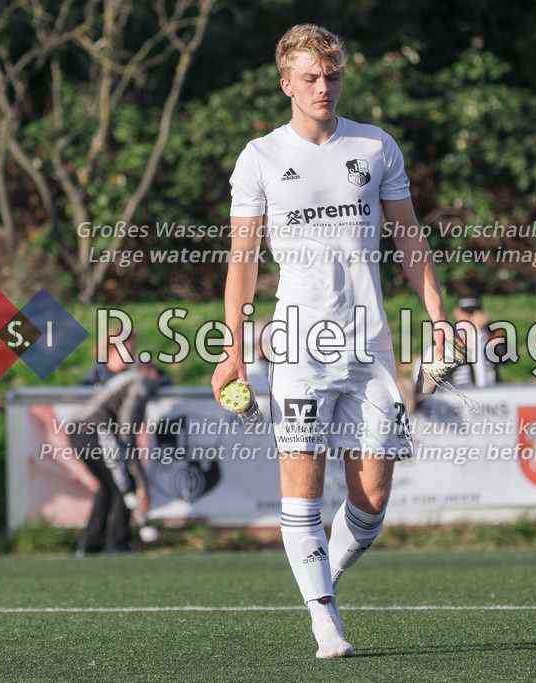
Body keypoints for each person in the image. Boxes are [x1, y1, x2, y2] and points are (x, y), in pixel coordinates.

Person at [211, 24, 462, 659]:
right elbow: (242, 261)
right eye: (312, 78)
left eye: (334, 77)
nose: (325, 87)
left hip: (369, 346)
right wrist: (233, 348)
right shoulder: (260, 156)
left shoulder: (375, 146)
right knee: (303, 479)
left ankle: (319, 576)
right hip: (296, 345)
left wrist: (438, 316)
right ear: (286, 84)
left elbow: (409, 239)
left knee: (371, 501)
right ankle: (325, 619)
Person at [69, 358, 161, 557]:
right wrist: (141, 483)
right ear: (145, 370)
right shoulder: (140, 382)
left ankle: (89, 544)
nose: (159, 381)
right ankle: (119, 544)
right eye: (157, 374)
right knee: (123, 484)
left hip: (78, 430)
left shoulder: (124, 379)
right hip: (95, 431)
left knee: (108, 486)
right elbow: (126, 433)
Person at [450, 293, 502, 388]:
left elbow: (505, 356)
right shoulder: (450, 334)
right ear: (457, 311)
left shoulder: (490, 332)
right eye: (466, 312)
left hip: (491, 390)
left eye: (473, 312)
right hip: (460, 390)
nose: (469, 317)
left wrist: (486, 332)